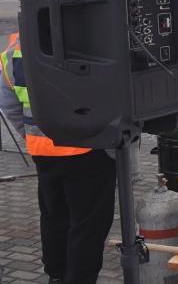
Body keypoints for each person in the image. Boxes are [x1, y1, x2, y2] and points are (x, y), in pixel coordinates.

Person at [0, 33, 115, 284]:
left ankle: (56, 274)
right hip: (87, 149)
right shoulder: (84, 33)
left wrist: (34, 135)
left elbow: (8, 103)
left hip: (43, 150)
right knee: (88, 224)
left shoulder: (14, 49)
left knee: (54, 215)